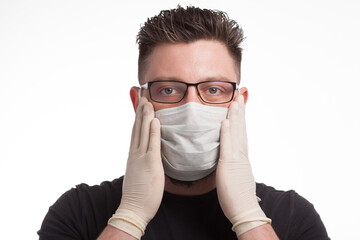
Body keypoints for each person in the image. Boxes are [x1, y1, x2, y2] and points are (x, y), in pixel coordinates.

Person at [38, 5, 330, 240]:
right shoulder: (79, 211)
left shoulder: (293, 217)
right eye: (168, 89)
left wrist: (249, 218)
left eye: (213, 90)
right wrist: (130, 217)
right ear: (138, 102)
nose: (192, 107)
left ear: (239, 102)